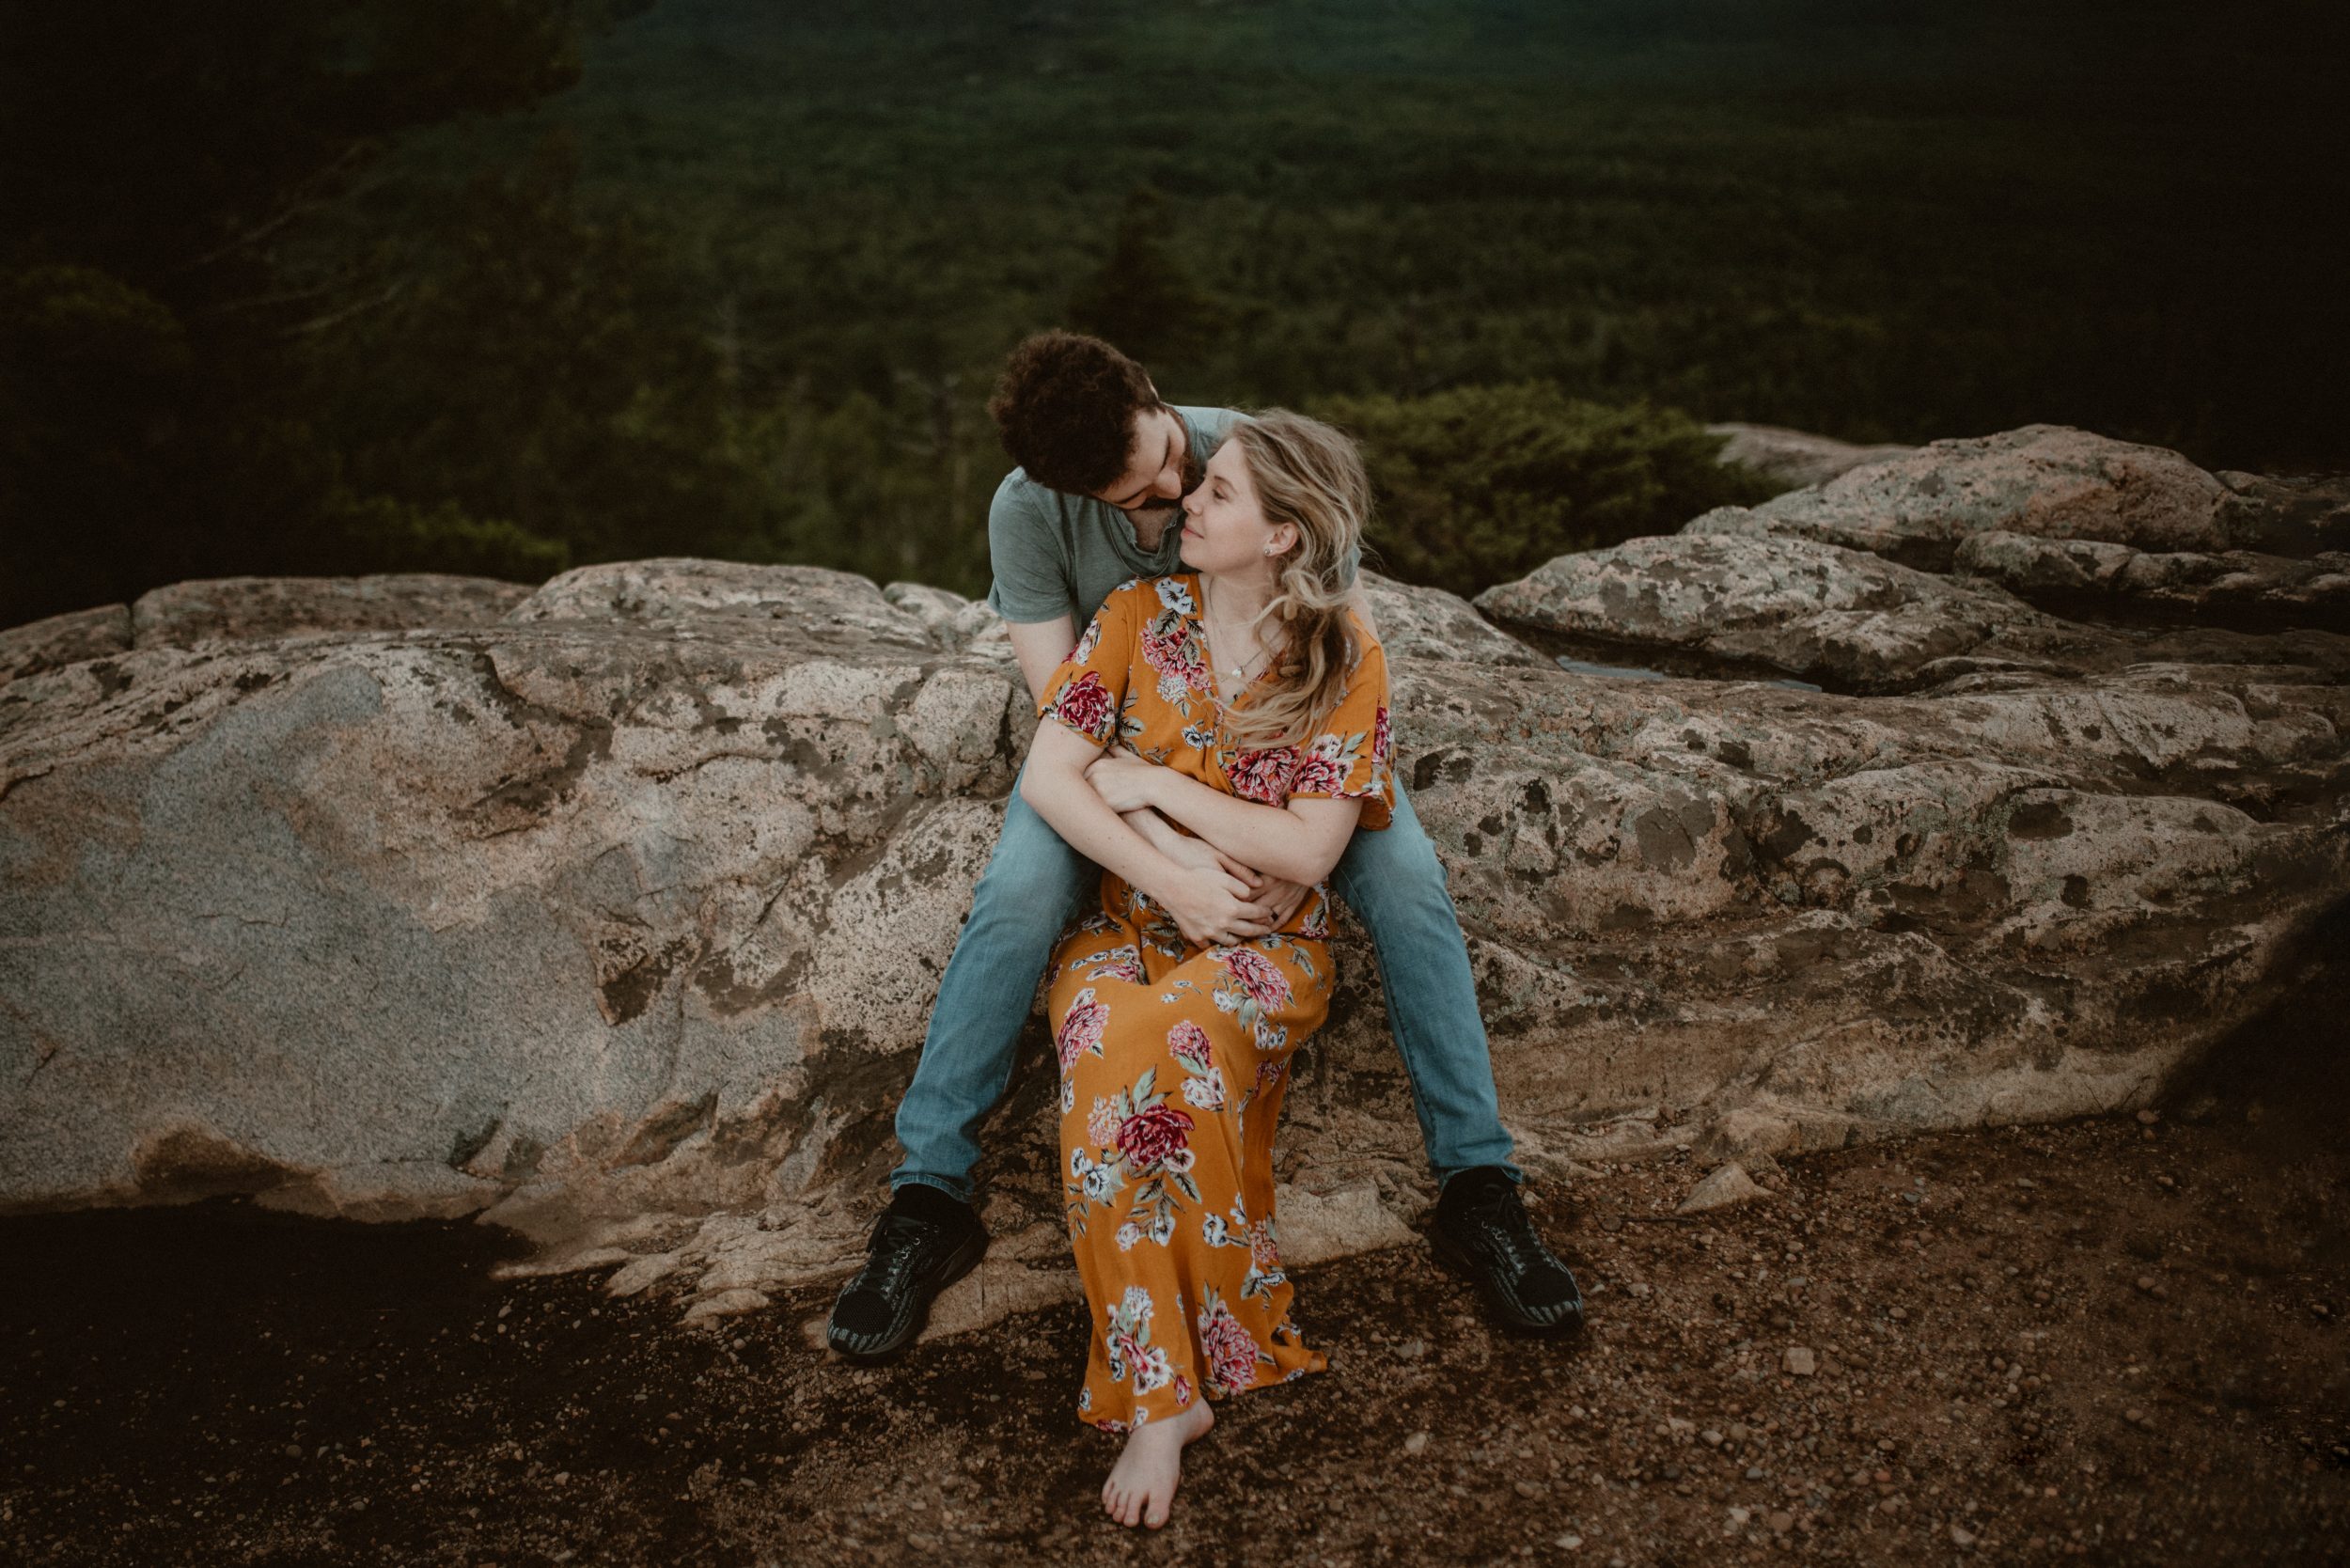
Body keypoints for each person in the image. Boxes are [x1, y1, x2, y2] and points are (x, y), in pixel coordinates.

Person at [825, 332, 1581, 1369]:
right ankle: (928, 1197)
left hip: (1277, 758)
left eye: (1177, 465)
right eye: (1142, 496)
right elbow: (1065, 722)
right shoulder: (1029, 512)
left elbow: (1341, 648)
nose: (1176, 496)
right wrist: (1167, 858)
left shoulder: (1261, 462)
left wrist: (1297, 831)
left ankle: (1478, 1185)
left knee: (1406, 880)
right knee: (1015, 894)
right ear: (1080, 494)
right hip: (1121, 758)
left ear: (1155, 396)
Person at [1026, 410, 1390, 1527]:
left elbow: (1309, 851)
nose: (1190, 503)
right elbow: (1051, 776)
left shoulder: (1342, 657)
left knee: (1162, 1042)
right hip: (1126, 928)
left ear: (1283, 536)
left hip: (1266, 951)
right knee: (1103, 1044)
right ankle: (1168, 1394)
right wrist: (1174, 874)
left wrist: (1156, 783)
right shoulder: (1135, 617)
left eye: (1220, 493)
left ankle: (1154, 1399)